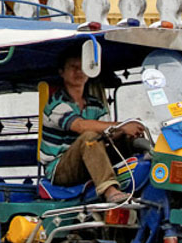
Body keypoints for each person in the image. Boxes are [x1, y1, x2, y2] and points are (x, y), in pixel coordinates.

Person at [41, 53, 147, 205]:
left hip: (89, 161)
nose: (78, 72)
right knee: (89, 137)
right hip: (60, 170)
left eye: (82, 68)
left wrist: (128, 130)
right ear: (62, 72)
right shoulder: (55, 102)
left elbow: (108, 133)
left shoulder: (95, 104)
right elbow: (80, 126)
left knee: (128, 136)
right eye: (73, 67)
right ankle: (109, 189)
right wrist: (121, 126)